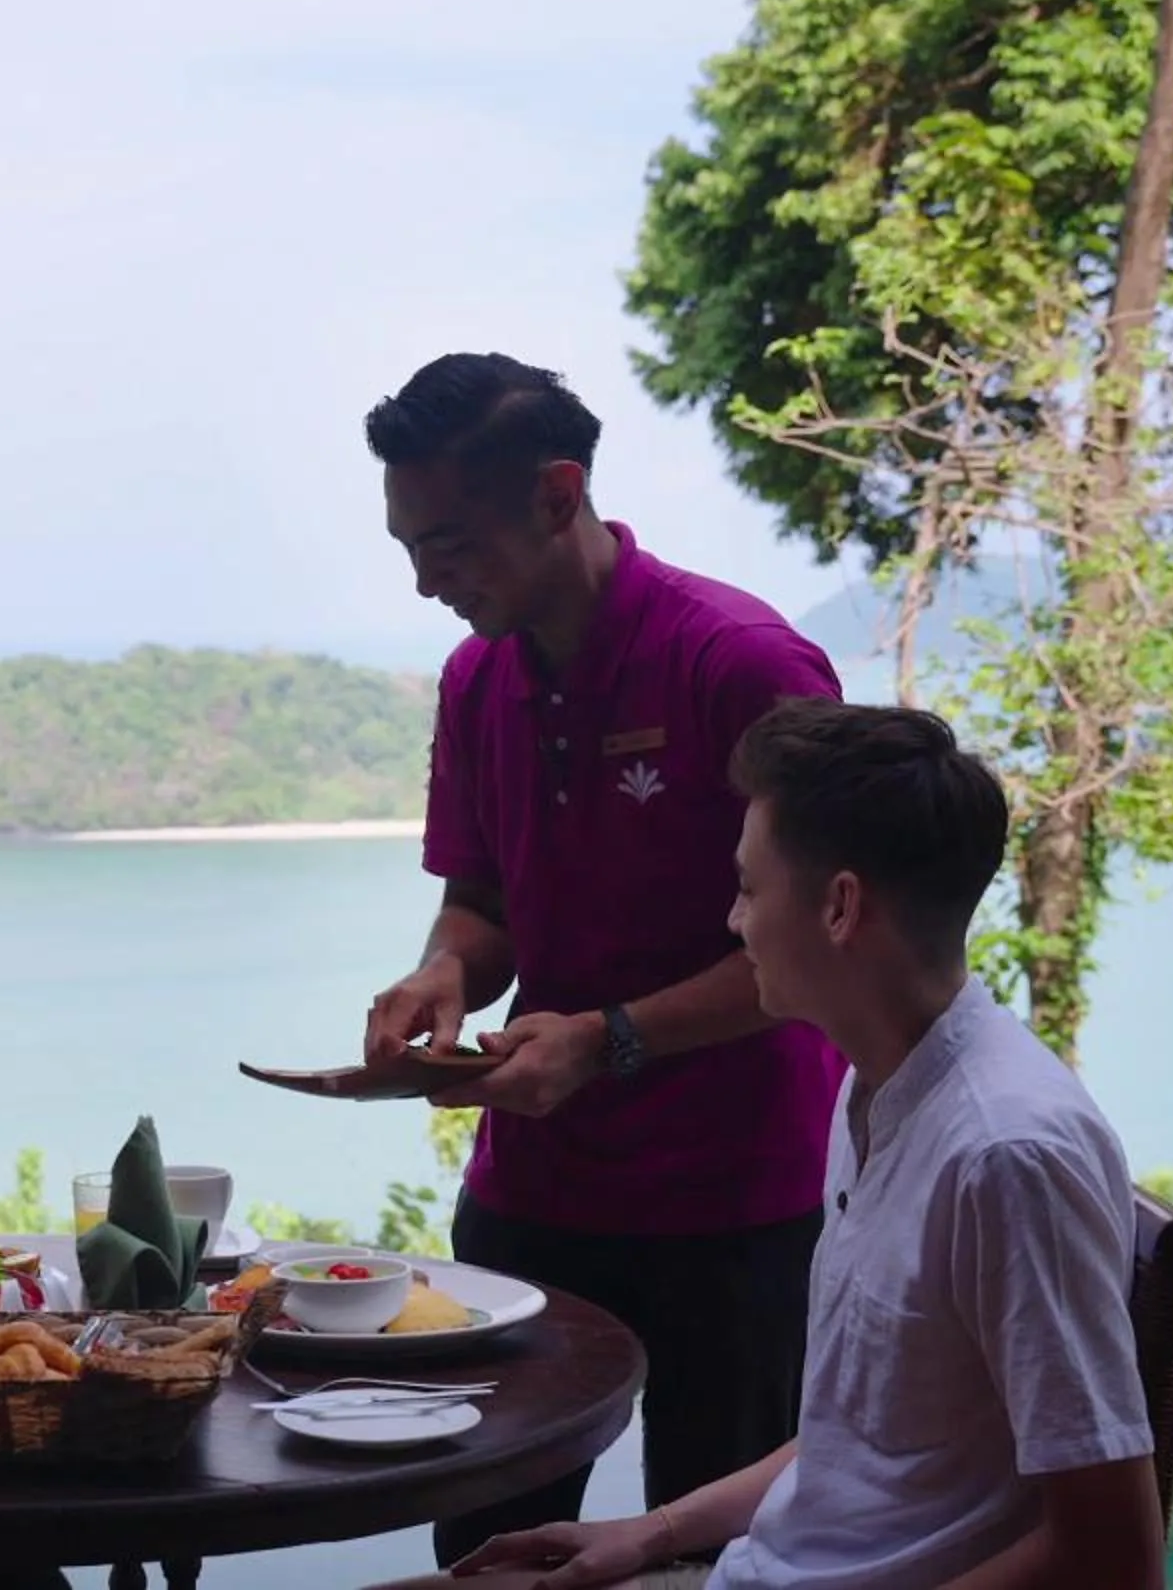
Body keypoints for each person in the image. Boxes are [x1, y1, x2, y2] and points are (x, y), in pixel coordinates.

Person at [375, 700, 1164, 1589]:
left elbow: (1114, 1557)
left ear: (839, 907)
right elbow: (857, 1437)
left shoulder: (1006, 1154)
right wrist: (648, 1532)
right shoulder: (879, 1088)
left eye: (750, 888)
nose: (734, 920)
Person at [359, 353, 847, 1566]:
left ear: (559, 492)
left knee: (723, 1550)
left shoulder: (739, 663)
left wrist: (608, 1037)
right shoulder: (479, 677)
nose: (426, 581)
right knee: (491, 1546)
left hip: (737, 1203)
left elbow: (829, 945)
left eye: (452, 544)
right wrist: (446, 976)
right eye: (407, 547)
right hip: (533, 1198)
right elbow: (484, 900)